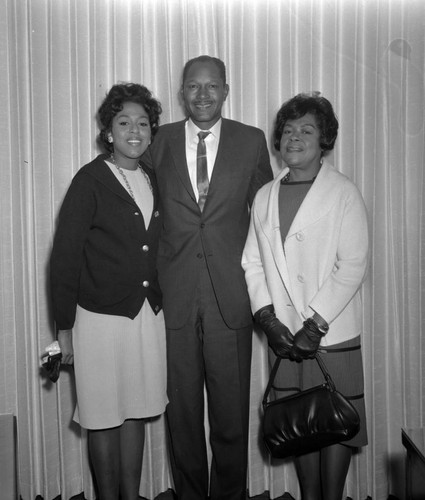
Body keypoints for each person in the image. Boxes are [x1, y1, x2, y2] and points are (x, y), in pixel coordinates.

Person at [144, 55, 273, 500]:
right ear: (181, 93)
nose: (203, 95)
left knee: (230, 416)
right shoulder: (155, 141)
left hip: (230, 297)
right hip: (174, 296)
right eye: (193, 87)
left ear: (226, 90)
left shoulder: (251, 141)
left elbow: (264, 220)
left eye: (212, 85)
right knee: (181, 416)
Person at [242, 93, 369, 500]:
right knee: (299, 423)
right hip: (285, 338)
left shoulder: (343, 192)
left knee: (334, 423)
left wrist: (314, 325)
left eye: (307, 130)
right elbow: (252, 263)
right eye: (288, 130)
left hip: (330, 335)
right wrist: (268, 320)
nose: (294, 137)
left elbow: (352, 264)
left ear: (324, 139)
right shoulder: (264, 196)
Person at [50, 83, 167, 500]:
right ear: (108, 132)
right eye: (124, 122)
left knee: (135, 412)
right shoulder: (90, 179)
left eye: (142, 123)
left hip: (147, 316)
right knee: (103, 417)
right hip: (98, 319)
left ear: (152, 131)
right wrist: (64, 328)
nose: (134, 131)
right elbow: (64, 258)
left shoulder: (152, 178)